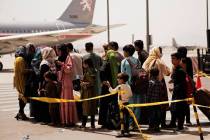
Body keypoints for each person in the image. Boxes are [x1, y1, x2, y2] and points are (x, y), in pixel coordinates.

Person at [142, 47, 170, 128]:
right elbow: (167, 73)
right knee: (162, 104)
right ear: (158, 52)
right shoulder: (160, 62)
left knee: (151, 107)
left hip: (149, 83)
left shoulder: (147, 61)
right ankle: (162, 123)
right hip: (160, 84)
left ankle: (152, 124)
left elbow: (144, 70)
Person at [57, 45, 78, 126]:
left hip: (67, 82)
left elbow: (69, 69)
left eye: (59, 51)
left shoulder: (68, 58)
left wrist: (62, 64)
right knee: (64, 101)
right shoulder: (61, 58)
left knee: (67, 100)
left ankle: (69, 120)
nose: (58, 52)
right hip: (63, 82)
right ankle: (65, 120)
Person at [106, 73, 133, 137]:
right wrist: (125, 97)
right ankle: (127, 131)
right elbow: (130, 95)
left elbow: (112, 91)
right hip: (127, 104)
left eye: (118, 78)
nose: (117, 80)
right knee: (126, 118)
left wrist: (109, 85)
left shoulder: (119, 87)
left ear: (122, 80)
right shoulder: (128, 86)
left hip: (121, 105)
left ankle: (122, 131)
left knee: (122, 118)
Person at [168, 52, 188, 131]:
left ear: (179, 60)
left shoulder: (180, 70)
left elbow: (182, 84)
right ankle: (173, 123)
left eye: (174, 59)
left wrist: (173, 89)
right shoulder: (176, 69)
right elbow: (177, 80)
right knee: (173, 108)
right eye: (171, 59)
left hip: (180, 93)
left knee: (180, 110)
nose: (172, 60)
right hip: (176, 93)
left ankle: (180, 126)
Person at [177, 47, 193, 126]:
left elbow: (183, 72)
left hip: (183, 83)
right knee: (187, 102)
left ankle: (182, 120)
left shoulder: (182, 61)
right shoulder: (189, 59)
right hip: (189, 83)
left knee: (182, 103)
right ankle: (188, 120)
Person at [80, 58, 97, 129]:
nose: (83, 65)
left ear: (87, 64)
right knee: (92, 108)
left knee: (86, 108)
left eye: (83, 63)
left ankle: (83, 124)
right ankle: (92, 124)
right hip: (92, 92)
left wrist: (83, 83)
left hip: (88, 92)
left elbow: (91, 83)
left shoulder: (89, 71)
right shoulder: (92, 70)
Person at [14, 46, 28, 120]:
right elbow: (23, 71)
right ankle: (21, 113)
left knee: (20, 97)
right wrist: (30, 70)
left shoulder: (16, 59)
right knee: (23, 97)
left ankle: (20, 113)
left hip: (17, 80)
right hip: (22, 80)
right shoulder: (21, 59)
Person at [147, 67, 163, 132]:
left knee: (151, 114)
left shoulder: (150, 82)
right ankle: (157, 127)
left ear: (150, 74)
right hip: (158, 101)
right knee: (157, 114)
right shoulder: (159, 82)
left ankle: (151, 127)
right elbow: (160, 92)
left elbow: (149, 92)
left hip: (151, 102)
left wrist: (147, 101)